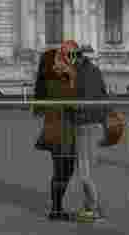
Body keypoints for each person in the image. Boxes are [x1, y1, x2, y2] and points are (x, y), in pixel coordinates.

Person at [33, 41, 79, 222]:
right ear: (54, 65)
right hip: (60, 130)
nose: (67, 62)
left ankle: (57, 207)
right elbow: (72, 100)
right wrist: (73, 77)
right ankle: (56, 209)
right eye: (62, 59)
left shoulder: (57, 79)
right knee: (63, 170)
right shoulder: (54, 81)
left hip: (61, 129)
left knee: (65, 169)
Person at [73, 45, 109, 223]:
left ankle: (94, 207)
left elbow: (76, 102)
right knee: (87, 170)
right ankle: (89, 206)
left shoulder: (78, 75)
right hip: (95, 124)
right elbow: (104, 95)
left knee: (84, 172)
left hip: (84, 124)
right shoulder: (95, 71)